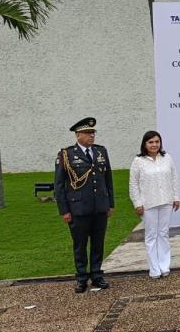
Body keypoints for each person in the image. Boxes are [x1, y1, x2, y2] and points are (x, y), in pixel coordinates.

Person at [54, 117, 114, 293]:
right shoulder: (66, 154)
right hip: (78, 208)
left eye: (93, 133)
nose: (91, 136)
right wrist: (64, 210)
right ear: (78, 135)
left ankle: (96, 275)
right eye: (88, 133)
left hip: (99, 207)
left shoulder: (100, 152)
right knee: (80, 245)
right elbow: (59, 185)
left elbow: (107, 179)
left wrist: (109, 204)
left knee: (98, 243)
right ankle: (81, 277)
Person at [129, 131, 180, 279]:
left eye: (157, 142)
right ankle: (154, 268)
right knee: (151, 235)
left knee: (163, 233)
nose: (154, 145)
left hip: (166, 201)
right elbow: (133, 184)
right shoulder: (138, 161)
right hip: (148, 204)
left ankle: (164, 266)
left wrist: (176, 197)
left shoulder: (166, 158)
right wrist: (137, 203)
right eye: (151, 142)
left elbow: (174, 178)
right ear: (145, 144)